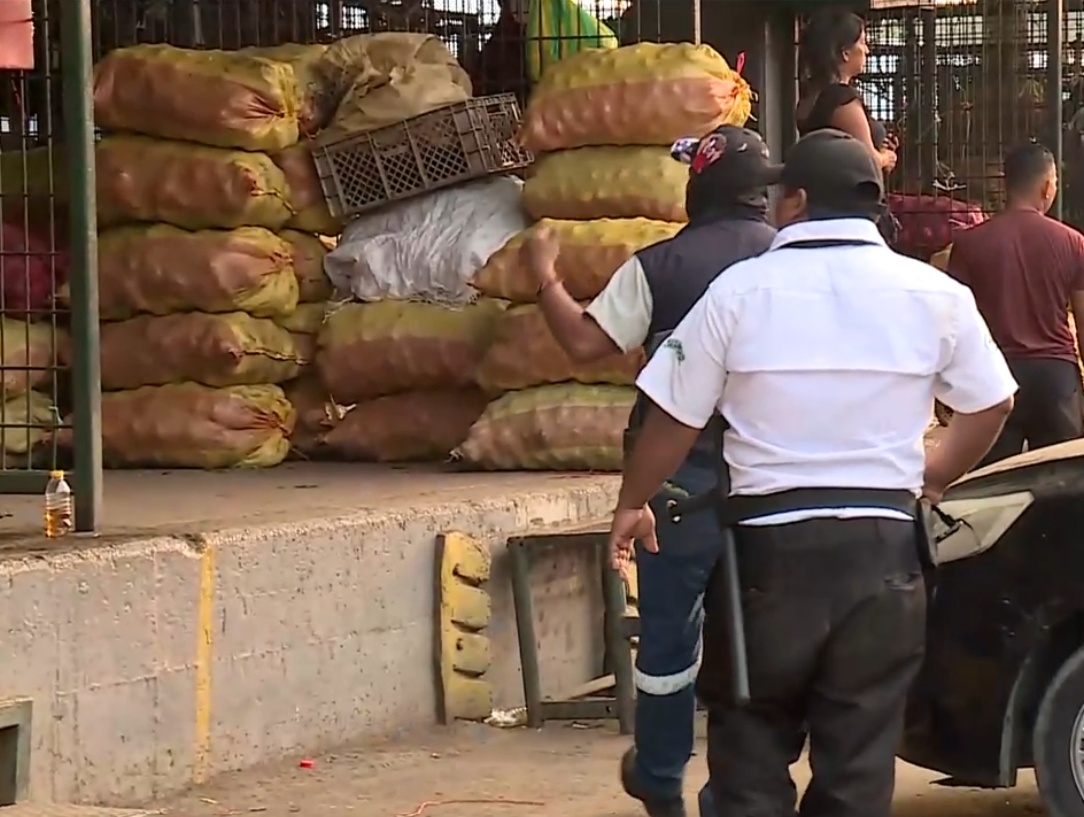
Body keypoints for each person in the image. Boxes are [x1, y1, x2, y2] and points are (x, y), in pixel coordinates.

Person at [609, 129, 1017, 817]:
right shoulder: (934, 293)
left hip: (769, 562)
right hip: (885, 560)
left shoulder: (739, 292)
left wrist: (633, 501)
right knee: (857, 770)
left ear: (795, 201)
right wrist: (936, 473)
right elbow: (993, 402)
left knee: (750, 762)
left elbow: (671, 417)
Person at [523, 125, 779, 817]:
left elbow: (584, 342)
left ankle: (662, 776)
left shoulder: (659, 267)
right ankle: (740, 789)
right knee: (757, 638)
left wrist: (544, 276)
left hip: (677, 484)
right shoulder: (788, 262)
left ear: (698, 188)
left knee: (670, 636)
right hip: (772, 481)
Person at [947, 143, 1084, 467]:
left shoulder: (969, 243)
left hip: (994, 376)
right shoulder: (1074, 243)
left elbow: (954, 321)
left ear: (1006, 184)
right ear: (1047, 187)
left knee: (992, 481)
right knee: (1061, 480)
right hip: (1055, 379)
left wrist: (949, 383)